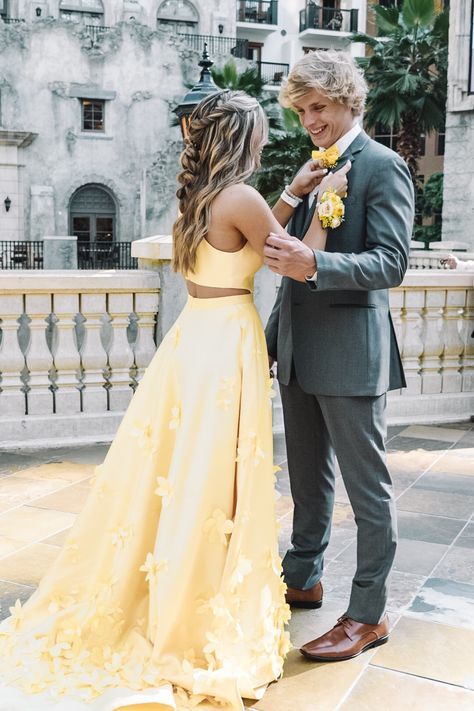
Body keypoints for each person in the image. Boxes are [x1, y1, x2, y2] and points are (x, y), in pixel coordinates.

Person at [0, 90, 348, 711]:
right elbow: (292, 262)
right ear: (241, 137)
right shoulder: (237, 196)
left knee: (182, 467)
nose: (268, 140)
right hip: (226, 346)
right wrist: (327, 199)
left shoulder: (201, 196)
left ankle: (180, 579)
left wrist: (293, 192)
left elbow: (242, 240)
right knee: (215, 475)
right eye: (263, 131)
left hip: (195, 338)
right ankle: (200, 595)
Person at [264, 49, 415, 662]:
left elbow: (391, 263)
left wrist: (317, 263)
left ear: (348, 101)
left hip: (353, 353)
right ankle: (302, 577)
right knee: (308, 481)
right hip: (300, 350)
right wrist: (274, 341)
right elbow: (287, 266)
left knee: (367, 489)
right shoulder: (313, 167)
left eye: (319, 107)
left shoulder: (383, 166)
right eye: (301, 112)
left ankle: (368, 614)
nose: (311, 121)